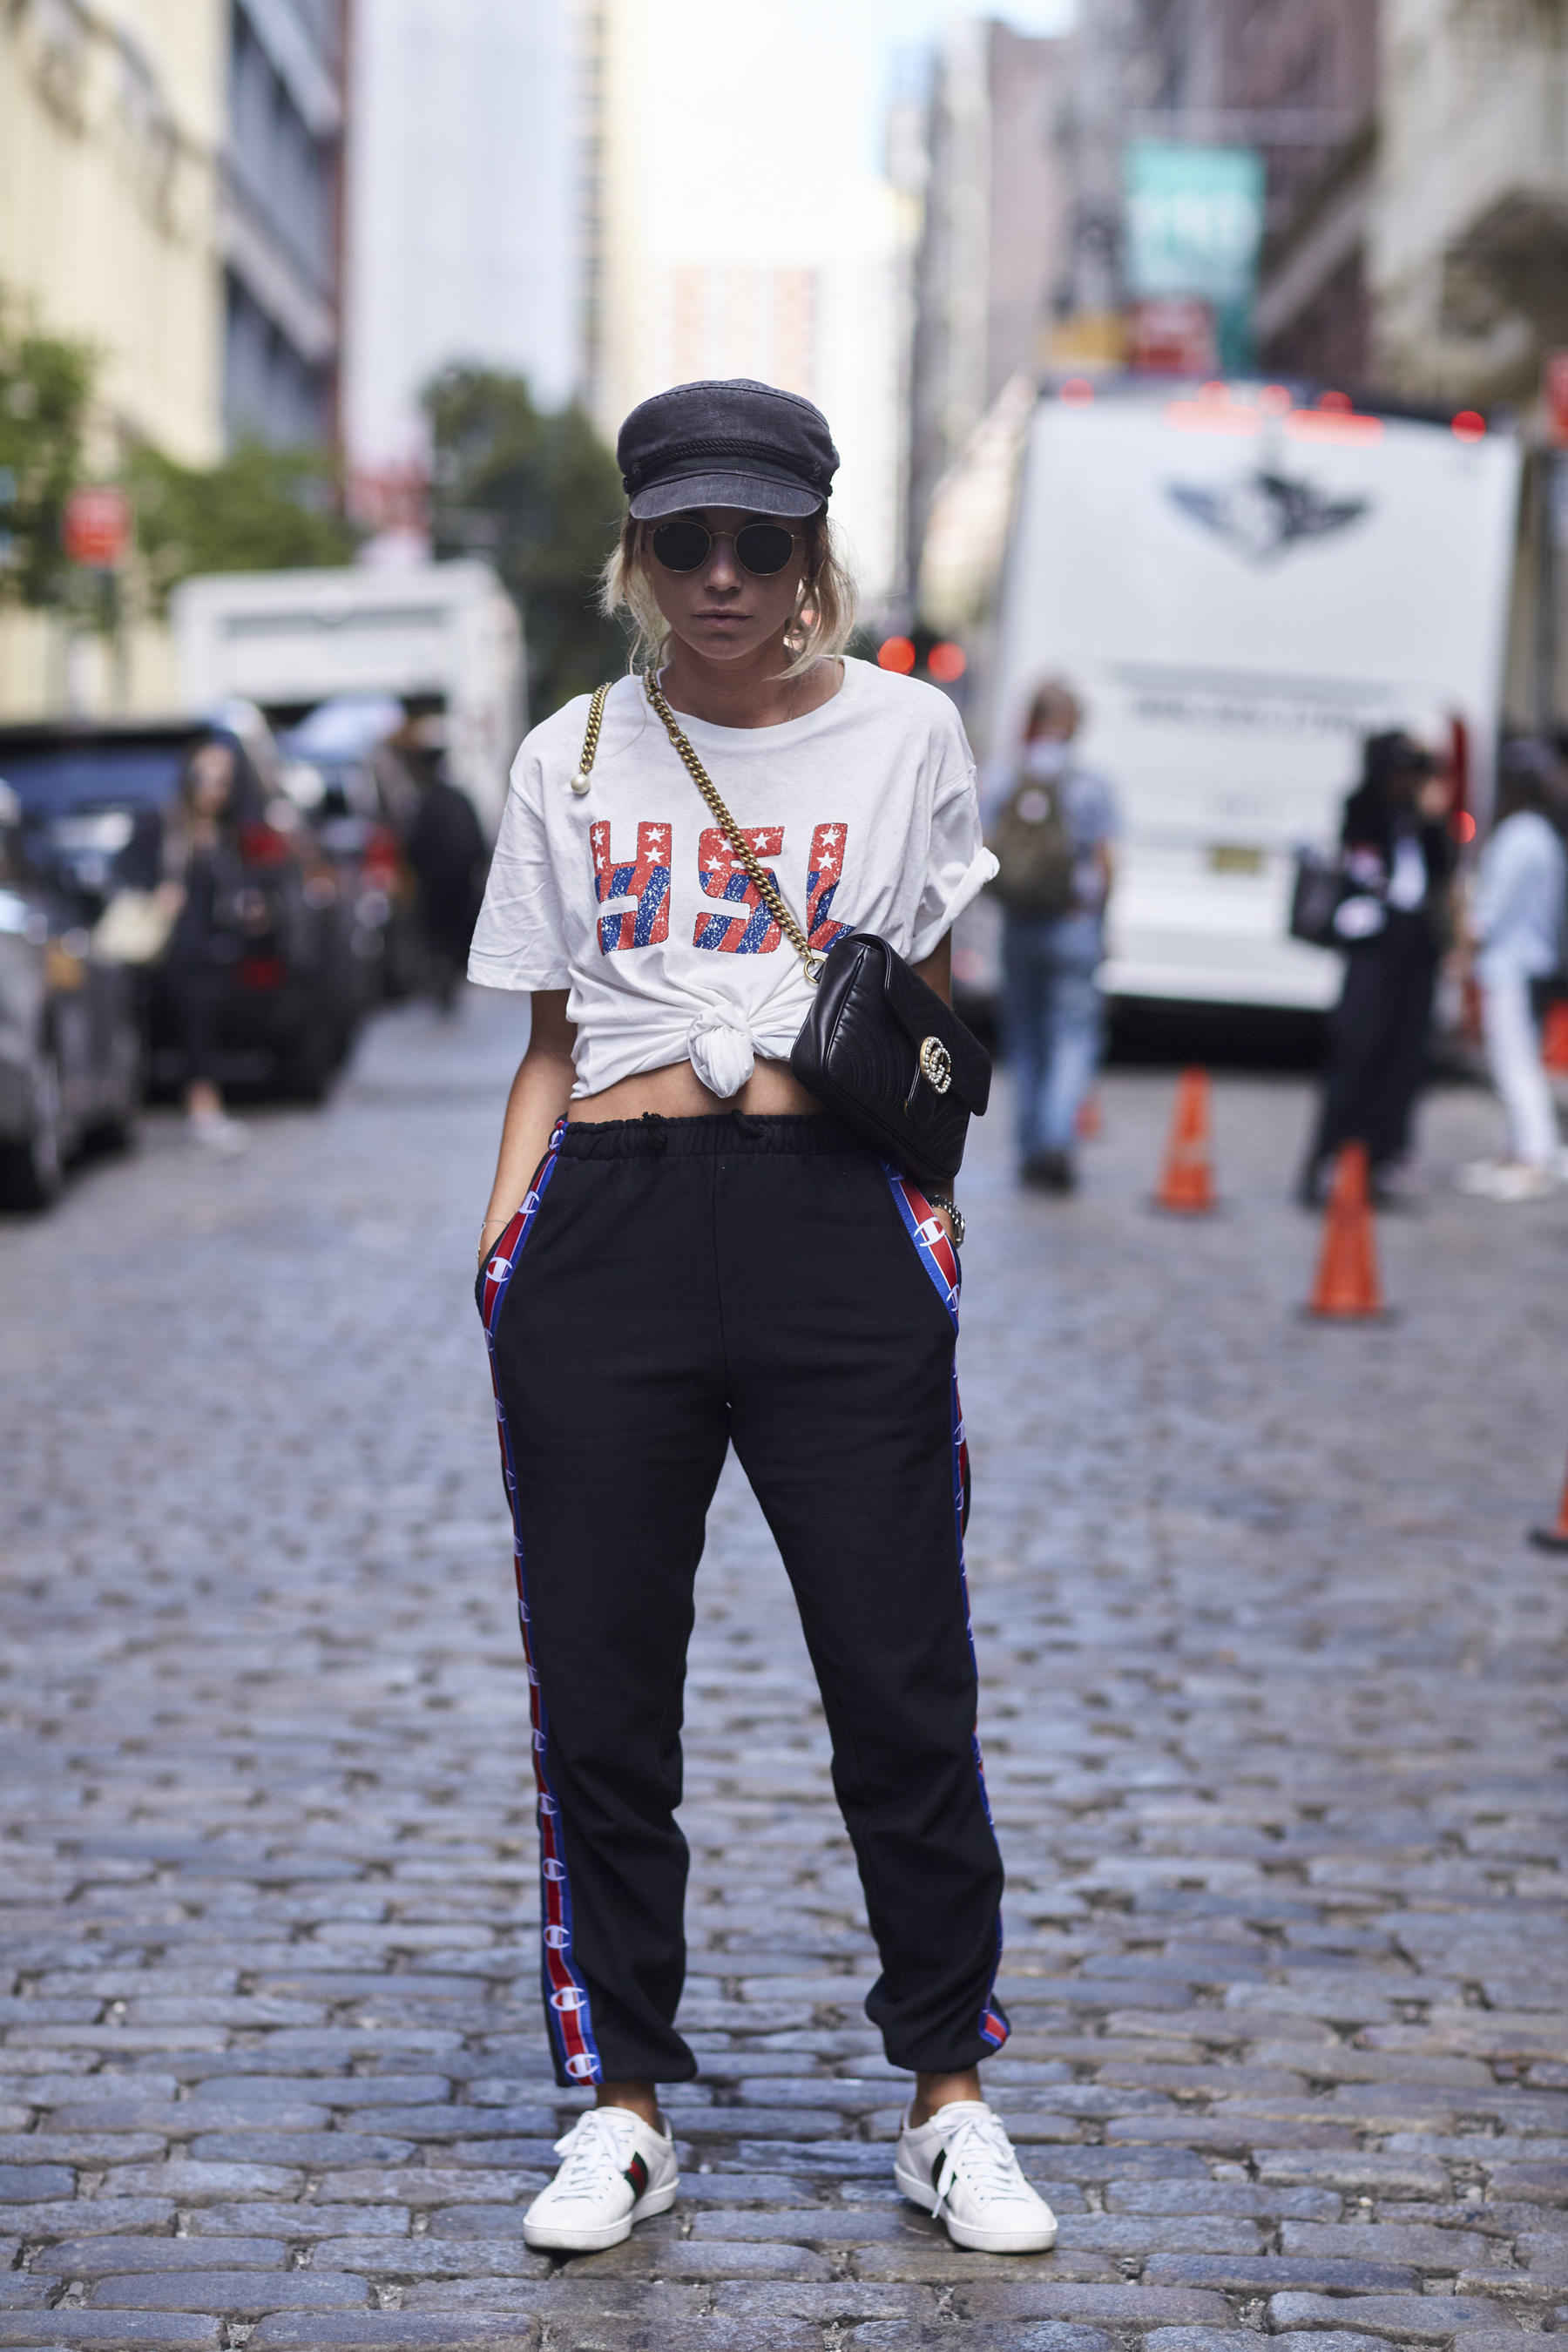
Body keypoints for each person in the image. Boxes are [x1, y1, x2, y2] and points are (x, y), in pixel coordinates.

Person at [467, 378, 1055, 2261]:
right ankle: (621, 2102)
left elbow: (927, 1013)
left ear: (813, 555)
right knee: (601, 1692)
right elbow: (549, 1043)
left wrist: (925, 1231)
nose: (722, 576)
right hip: (610, 1229)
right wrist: (504, 1253)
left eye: (760, 541)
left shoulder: (908, 733)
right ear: (636, 556)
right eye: (685, 541)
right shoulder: (570, 751)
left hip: (832, 1226)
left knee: (902, 1675)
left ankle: (949, 2102)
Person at [1301, 730, 1455, 1207]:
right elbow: (1360, 858)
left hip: (1415, 945)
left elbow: (1443, 869)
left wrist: (1434, 817)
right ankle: (1332, 1155)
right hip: (1373, 946)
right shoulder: (1366, 809)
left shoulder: (1422, 822)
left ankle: (1386, 1155)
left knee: (1405, 1055)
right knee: (1359, 1048)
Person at [990, 680, 1117, 1193]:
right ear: (1074, 724)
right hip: (1074, 922)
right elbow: (1107, 860)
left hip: (1020, 923)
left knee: (1025, 1037)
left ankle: (1028, 1148)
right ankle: (1056, 1140)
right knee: (1073, 1036)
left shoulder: (1005, 776)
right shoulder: (1091, 783)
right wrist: (1103, 923)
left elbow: (984, 844)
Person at [1457, 744, 1566, 1202]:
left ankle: (1534, 1157)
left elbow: (1491, 908)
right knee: (1514, 1062)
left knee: (1514, 1065)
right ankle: (1516, 1150)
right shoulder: (1542, 833)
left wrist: (1464, 946)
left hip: (1512, 965)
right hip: (1530, 962)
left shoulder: (1520, 835)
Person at [160, 740, 249, 1157]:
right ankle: (202, 1107)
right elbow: (126, 872)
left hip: (216, 949)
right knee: (194, 1025)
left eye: (223, 781)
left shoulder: (227, 834)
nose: (215, 789)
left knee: (208, 1026)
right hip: (177, 948)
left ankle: (205, 1103)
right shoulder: (169, 827)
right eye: (207, 779)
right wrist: (159, 895)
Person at [406, 760, 486, 1012]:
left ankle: (443, 976)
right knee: (456, 935)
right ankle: (449, 977)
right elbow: (479, 843)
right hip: (461, 885)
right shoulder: (459, 801)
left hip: (436, 887)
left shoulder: (427, 804)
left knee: (438, 937)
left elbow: (414, 845)